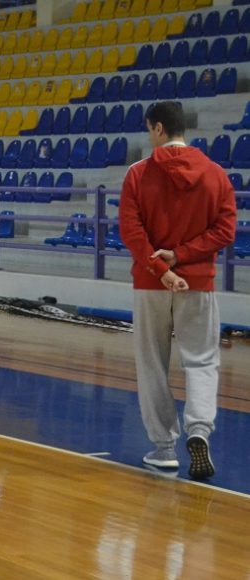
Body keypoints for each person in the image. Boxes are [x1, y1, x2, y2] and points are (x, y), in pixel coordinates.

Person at [118, 101, 237, 481]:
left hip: (150, 285)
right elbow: (225, 231)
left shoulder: (138, 173)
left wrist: (162, 270)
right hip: (198, 284)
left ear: (157, 128)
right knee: (201, 361)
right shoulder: (216, 174)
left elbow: (131, 231)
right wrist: (183, 257)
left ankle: (163, 449)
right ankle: (199, 429)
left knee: (152, 363)